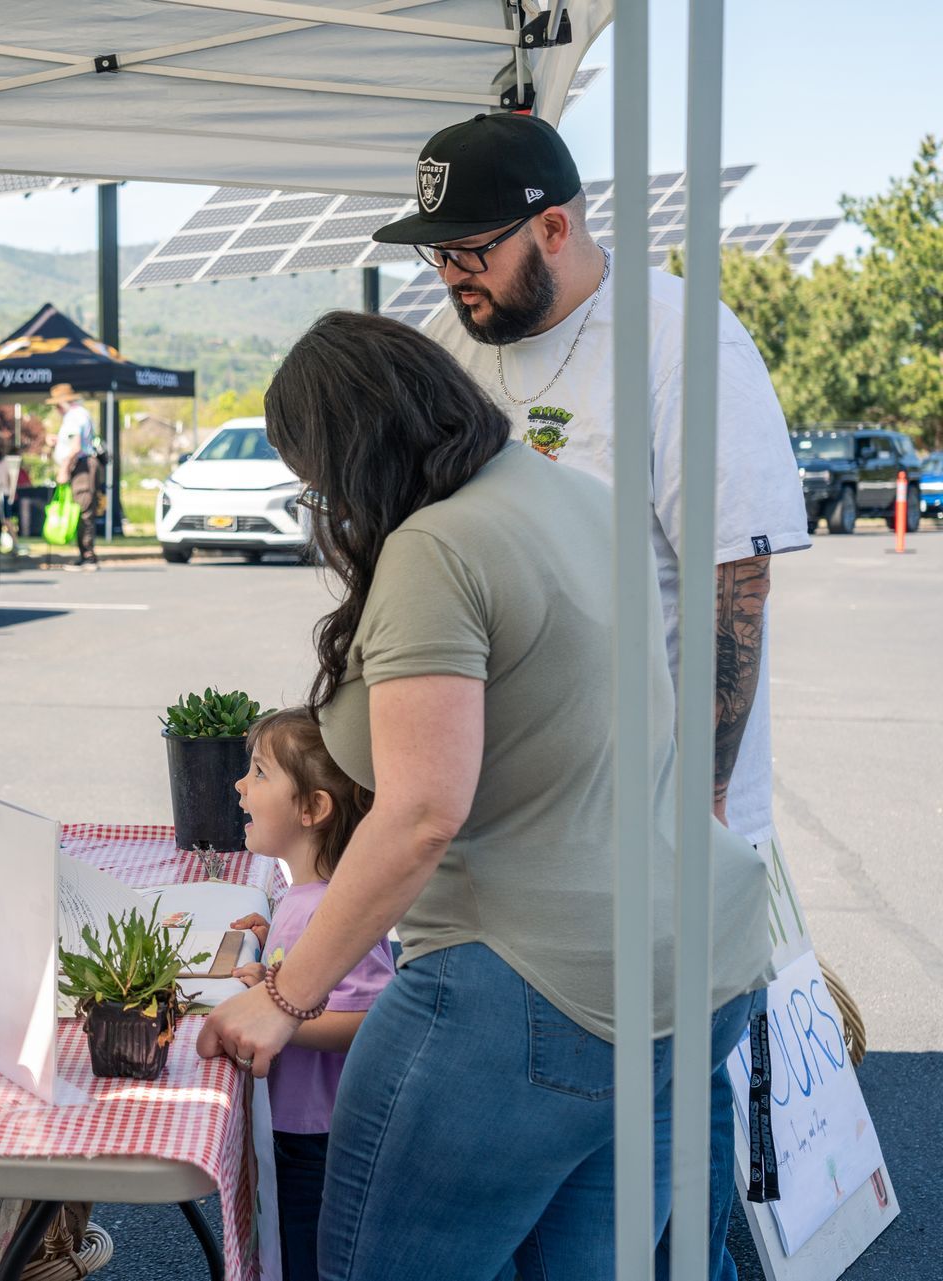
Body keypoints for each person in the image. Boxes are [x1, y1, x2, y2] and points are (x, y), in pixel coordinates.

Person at [197, 311, 771, 1279]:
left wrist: (285, 1000)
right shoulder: (577, 496)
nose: (323, 501)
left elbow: (421, 814)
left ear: (355, 452)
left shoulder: (437, 546)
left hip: (535, 987)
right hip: (691, 958)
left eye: (318, 477)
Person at [370, 111, 810, 1280]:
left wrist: (702, 800)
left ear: (554, 227)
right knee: (552, 1153)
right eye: (438, 254)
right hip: (515, 835)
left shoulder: (678, 341)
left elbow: (736, 580)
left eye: (473, 251)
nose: (453, 276)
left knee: (665, 1164)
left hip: (667, 818)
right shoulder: (446, 348)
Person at [225, 706, 394, 1281]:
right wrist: (276, 946)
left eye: (260, 773)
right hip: (300, 1130)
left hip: (317, 1140)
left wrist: (277, 1003)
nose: (240, 785)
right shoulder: (306, 899)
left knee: (306, 1261)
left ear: (312, 809)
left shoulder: (330, 908)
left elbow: (371, 1015)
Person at [47, 382, 99, 569]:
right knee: (81, 508)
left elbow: (75, 447)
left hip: (81, 466)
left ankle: (88, 555)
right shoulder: (79, 414)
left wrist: (64, 469)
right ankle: (85, 554)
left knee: (82, 508)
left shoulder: (74, 416)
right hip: (81, 465)